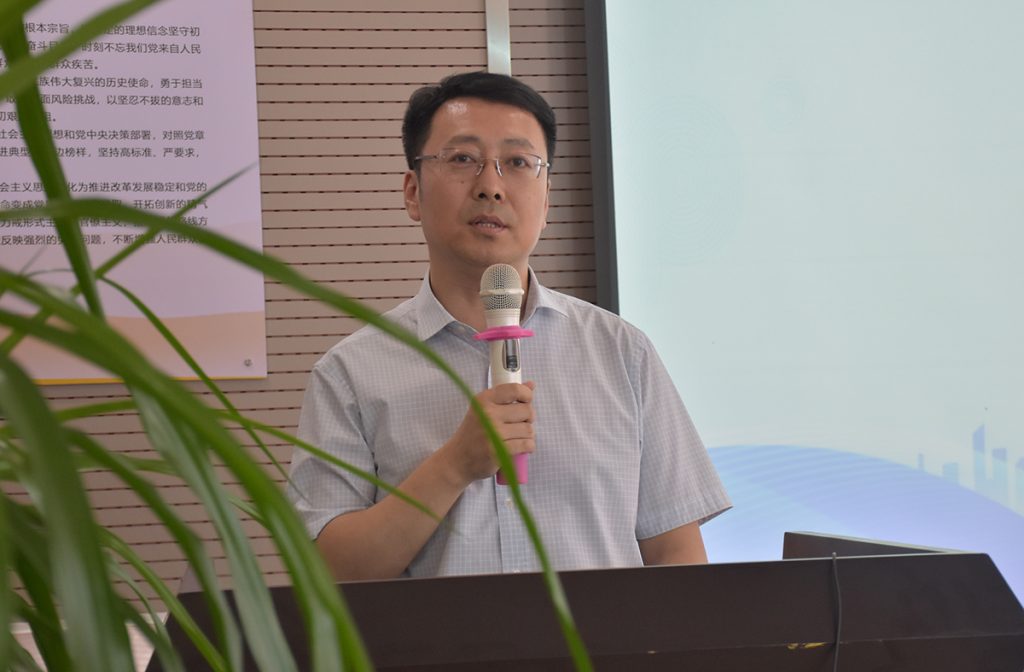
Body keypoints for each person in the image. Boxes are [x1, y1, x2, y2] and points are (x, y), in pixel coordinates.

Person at [287, 71, 730, 581]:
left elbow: (676, 555)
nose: (491, 187)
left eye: (518, 163)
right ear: (413, 192)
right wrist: (453, 466)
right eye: (462, 159)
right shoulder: (351, 373)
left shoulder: (623, 352)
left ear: (547, 199)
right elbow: (329, 573)